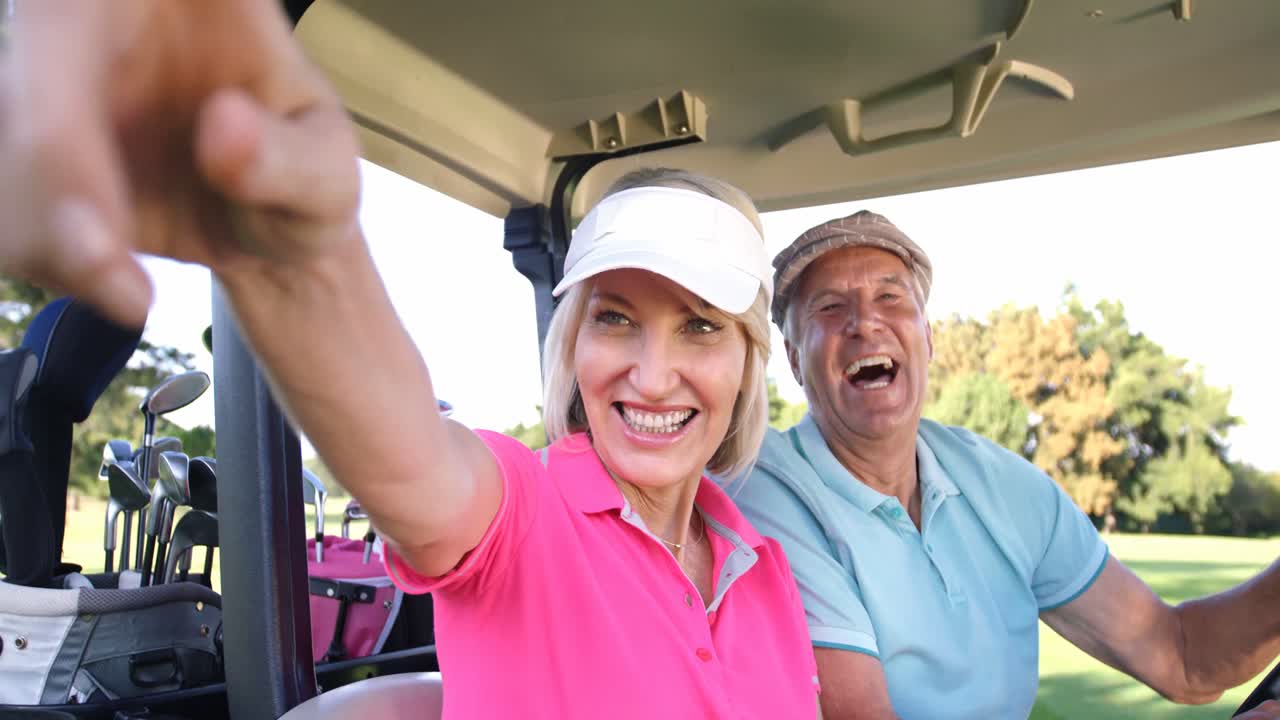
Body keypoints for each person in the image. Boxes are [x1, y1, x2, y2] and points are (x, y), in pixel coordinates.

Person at [0, 4, 818, 718]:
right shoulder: (520, 509)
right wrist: (289, 254)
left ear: (748, 362)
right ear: (571, 342)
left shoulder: (764, 567)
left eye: (701, 327)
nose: (650, 372)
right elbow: (413, 467)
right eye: (615, 318)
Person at [731, 209, 1280, 719]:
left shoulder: (999, 482)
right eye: (829, 308)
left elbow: (1178, 654)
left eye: (891, 298)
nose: (865, 322)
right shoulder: (764, 495)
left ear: (928, 338)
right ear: (795, 359)